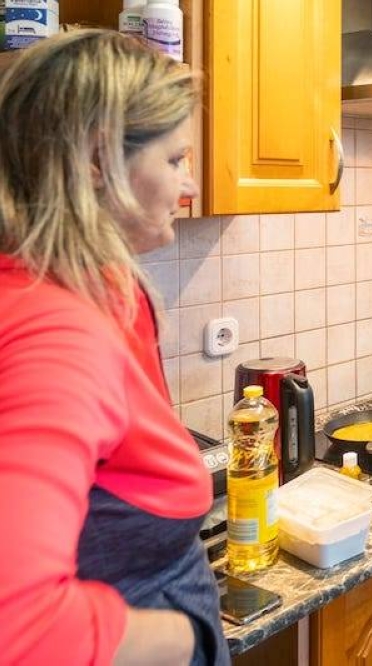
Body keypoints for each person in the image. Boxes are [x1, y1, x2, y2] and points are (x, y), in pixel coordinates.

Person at [0, 30, 228, 664]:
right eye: (177, 160)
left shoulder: (92, 284)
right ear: (99, 163)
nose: (189, 185)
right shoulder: (57, 333)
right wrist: (186, 637)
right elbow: (19, 628)